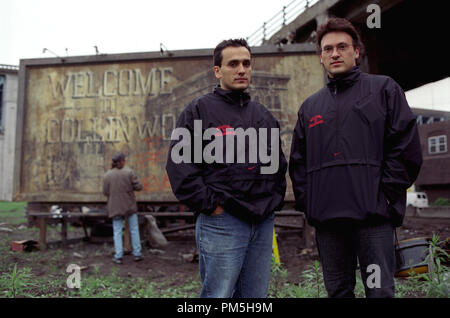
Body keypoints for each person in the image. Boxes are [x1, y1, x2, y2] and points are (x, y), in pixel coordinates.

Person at [289, 18, 423, 298]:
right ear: (321, 57)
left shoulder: (384, 90)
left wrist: (385, 195)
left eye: (341, 47)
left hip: (372, 220)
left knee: (379, 292)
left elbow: (406, 147)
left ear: (356, 52)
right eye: (327, 49)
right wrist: (309, 204)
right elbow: (298, 163)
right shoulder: (310, 107)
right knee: (338, 291)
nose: (334, 53)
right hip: (328, 223)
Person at [166, 39, 287, 298]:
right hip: (223, 221)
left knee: (255, 298)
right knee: (218, 296)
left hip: (262, 222)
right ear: (217, 71)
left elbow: (277, 165)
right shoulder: (199, 110)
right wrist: (212, 205)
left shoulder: (263, 115)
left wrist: (272, 204)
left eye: (246, 63)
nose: (241, 69)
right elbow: (179, 165)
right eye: (233, 64)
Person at [103, 152, 144, 264]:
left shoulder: (107, 175)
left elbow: (105, 192)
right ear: (122, 161)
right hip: (129, 206)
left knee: (117, 231)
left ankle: (118, 256)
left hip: (115, 207)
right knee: (134, 229)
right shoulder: (129, 172)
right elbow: (138, 187)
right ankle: (137, 254)